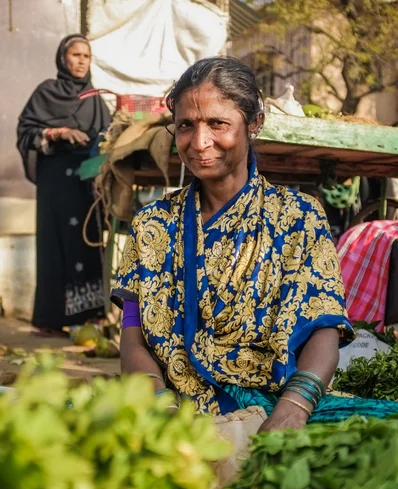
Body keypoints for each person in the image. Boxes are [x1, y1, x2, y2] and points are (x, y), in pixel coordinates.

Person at [111, 57, 398, 431]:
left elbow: (323, 328)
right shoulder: (153, 225)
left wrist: (294, 406)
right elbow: (133, 339)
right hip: (173, 409)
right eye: (186, 125)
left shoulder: (299, 217)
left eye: (217, 123)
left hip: (276, 403)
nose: (200, 142)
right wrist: (160, 408)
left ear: (254, 123)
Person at [17, 34, 111, 336]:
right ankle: (50, 320)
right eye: (76, 55)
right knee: (55, 245)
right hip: (56, 180)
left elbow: (108, 133)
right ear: (63, 58)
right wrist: (58, 132)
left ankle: (91, 317)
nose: (82, 61)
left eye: (87, 55)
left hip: (87, 181)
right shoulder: (47, 92)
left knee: (86, 242)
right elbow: (26, 131)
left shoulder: (95, 97)